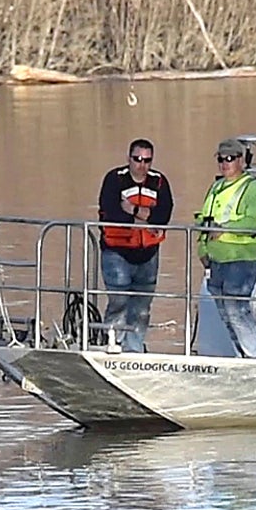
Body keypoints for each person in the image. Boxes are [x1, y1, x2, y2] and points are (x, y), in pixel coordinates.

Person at [95, 138, 174, 351]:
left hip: (149, 254)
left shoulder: (159, 182)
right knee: (118, 301)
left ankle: (135, 348)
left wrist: (135, 211)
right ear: (128, 158)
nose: (142, 165)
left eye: (147, 160)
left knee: (142, 308)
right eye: (137, 159)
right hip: (117, 252)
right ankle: (113, 343)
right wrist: (145, 219)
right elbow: (110, 212)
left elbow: (163, 215)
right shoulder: (115, 179)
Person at [195, 139, 256, 357]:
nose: (225, 163)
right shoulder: (216, 187)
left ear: (242, 161)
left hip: (241, 261)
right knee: (225, 314)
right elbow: (204, 219)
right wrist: (202, 249)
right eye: (221, 159)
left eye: (230, 158)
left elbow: (254, 223)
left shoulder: (254, 189)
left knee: (237, 311)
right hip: (216, 262)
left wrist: (224, 229)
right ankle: (242, 357)